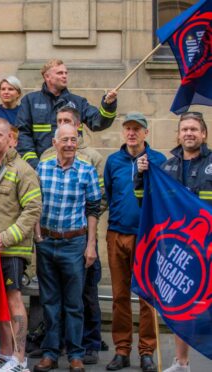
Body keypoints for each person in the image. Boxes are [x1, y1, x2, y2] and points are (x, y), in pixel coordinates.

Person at [135, 112, 210, 372]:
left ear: (204, 135)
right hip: (180, 251)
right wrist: (141, 176)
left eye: (194, 129)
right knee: (182, 304)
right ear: (178, 135)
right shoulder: (166, 168)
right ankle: (181, 362)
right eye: (184, 129)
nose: (189, 133)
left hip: (208, 248)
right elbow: (147, 203)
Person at [0, 118, 41, 372]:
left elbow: (33, 208)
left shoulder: (23, 170)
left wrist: (9, 235)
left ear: (11, 139)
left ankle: (20, 359)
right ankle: (4, 353)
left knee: (13, 300)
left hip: (11, 248)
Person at [40, 107, 106, 365]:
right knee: (50, 302)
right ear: (54, 142)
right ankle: (50, 353)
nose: (69, 144)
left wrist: (91, 246)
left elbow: (93, 209)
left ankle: (76, 355)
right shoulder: (42, 169)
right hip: (47, 242)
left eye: (73, 139)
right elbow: (34, 205)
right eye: (64, 140)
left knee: (74, 303)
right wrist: (37, 236)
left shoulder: (86, 170)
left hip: (74, 244)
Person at [103, 112, 165, 371]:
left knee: (147, 297)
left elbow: (164, 195)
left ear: (145, 133)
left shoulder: (158, 160)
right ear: (123, 132)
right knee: (119, 296)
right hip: (117, 233)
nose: (132, 133)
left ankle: (147, 351)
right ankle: (122, 349)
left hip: (147, 237)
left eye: (137, 129)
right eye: (128, 128)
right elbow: (108, 193)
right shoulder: (113, 161)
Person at [16, 59, 118, 168]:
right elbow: (23, 136)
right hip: (40, 166)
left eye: (65, 73)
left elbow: (98, 122)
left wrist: (108, 105)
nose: (64, 76)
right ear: (47, 77)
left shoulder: (78, 102)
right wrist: (35, 165)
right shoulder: (30, 101)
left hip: (72, 166)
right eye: (60, 73)